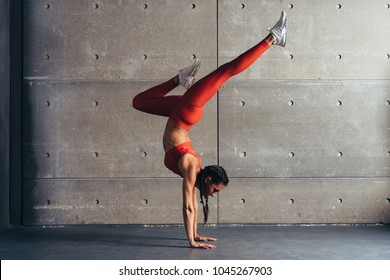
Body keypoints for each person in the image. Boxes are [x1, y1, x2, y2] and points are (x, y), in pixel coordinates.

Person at [133, 11, 287, 249]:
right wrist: (191, 241)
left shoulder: (191, 171)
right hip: (186, 111)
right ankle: (273, 38)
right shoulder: (190, 166)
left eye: (215, 191)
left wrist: (194, 238)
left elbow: (190, 205)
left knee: (139, 102)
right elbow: (188, 206)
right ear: (207, 179)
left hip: (181, 114)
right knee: (225, 72)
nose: (214, 194)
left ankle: (180, 79)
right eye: (215, 189)